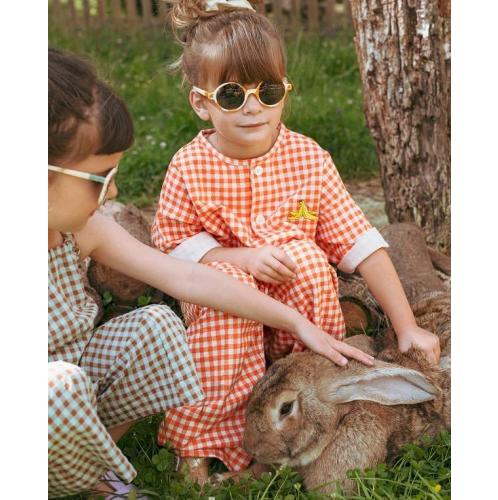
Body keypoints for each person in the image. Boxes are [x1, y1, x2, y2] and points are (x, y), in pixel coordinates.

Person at [48, 47, 373, 498]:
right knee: (59, 385)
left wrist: (297, 323)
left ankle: (89, 466)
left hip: (69, 399)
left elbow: (186, 278)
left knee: (156, 326)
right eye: (100, 179)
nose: (115, 191)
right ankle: (82, 478)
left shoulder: (82, 230)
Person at [151, 0, 441, 483]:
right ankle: (205, 439)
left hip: (300, 319)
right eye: (231, 95)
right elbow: (175, 245)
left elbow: (358, 240)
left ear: (284, 90)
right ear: (201, 102)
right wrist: (240, 257)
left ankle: (302, 411)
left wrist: (406, 324)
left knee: (305, 258)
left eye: (267, 92)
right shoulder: (189, 166)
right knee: (225, 283)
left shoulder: (308, 159)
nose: (253, 107)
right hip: (229, 318)